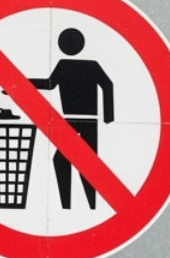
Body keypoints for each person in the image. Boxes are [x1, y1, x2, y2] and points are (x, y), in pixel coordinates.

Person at [27, 28, 114, 210]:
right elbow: (107, 85)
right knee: (79, 162)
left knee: (71, 162)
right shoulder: (90, 65)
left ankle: (78, 205)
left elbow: (49, 84)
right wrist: (108, 116)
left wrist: (21, 84)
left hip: (75, 121)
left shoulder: (65, 65)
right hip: (83, 121)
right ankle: (79, 206)